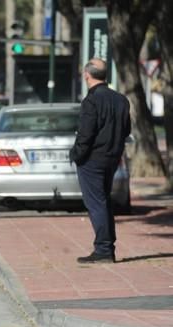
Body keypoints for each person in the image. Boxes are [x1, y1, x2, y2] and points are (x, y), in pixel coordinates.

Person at [69, 57, 131, 264]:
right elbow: (127, 129)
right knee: (103, 201)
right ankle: (107, 246)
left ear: (87, 75)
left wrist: (76, 154)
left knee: (96, 203)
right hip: (112, 157)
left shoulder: (91, 101)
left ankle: (104, 249)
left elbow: (85, 134)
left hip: (92, 159)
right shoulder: (121, 99)